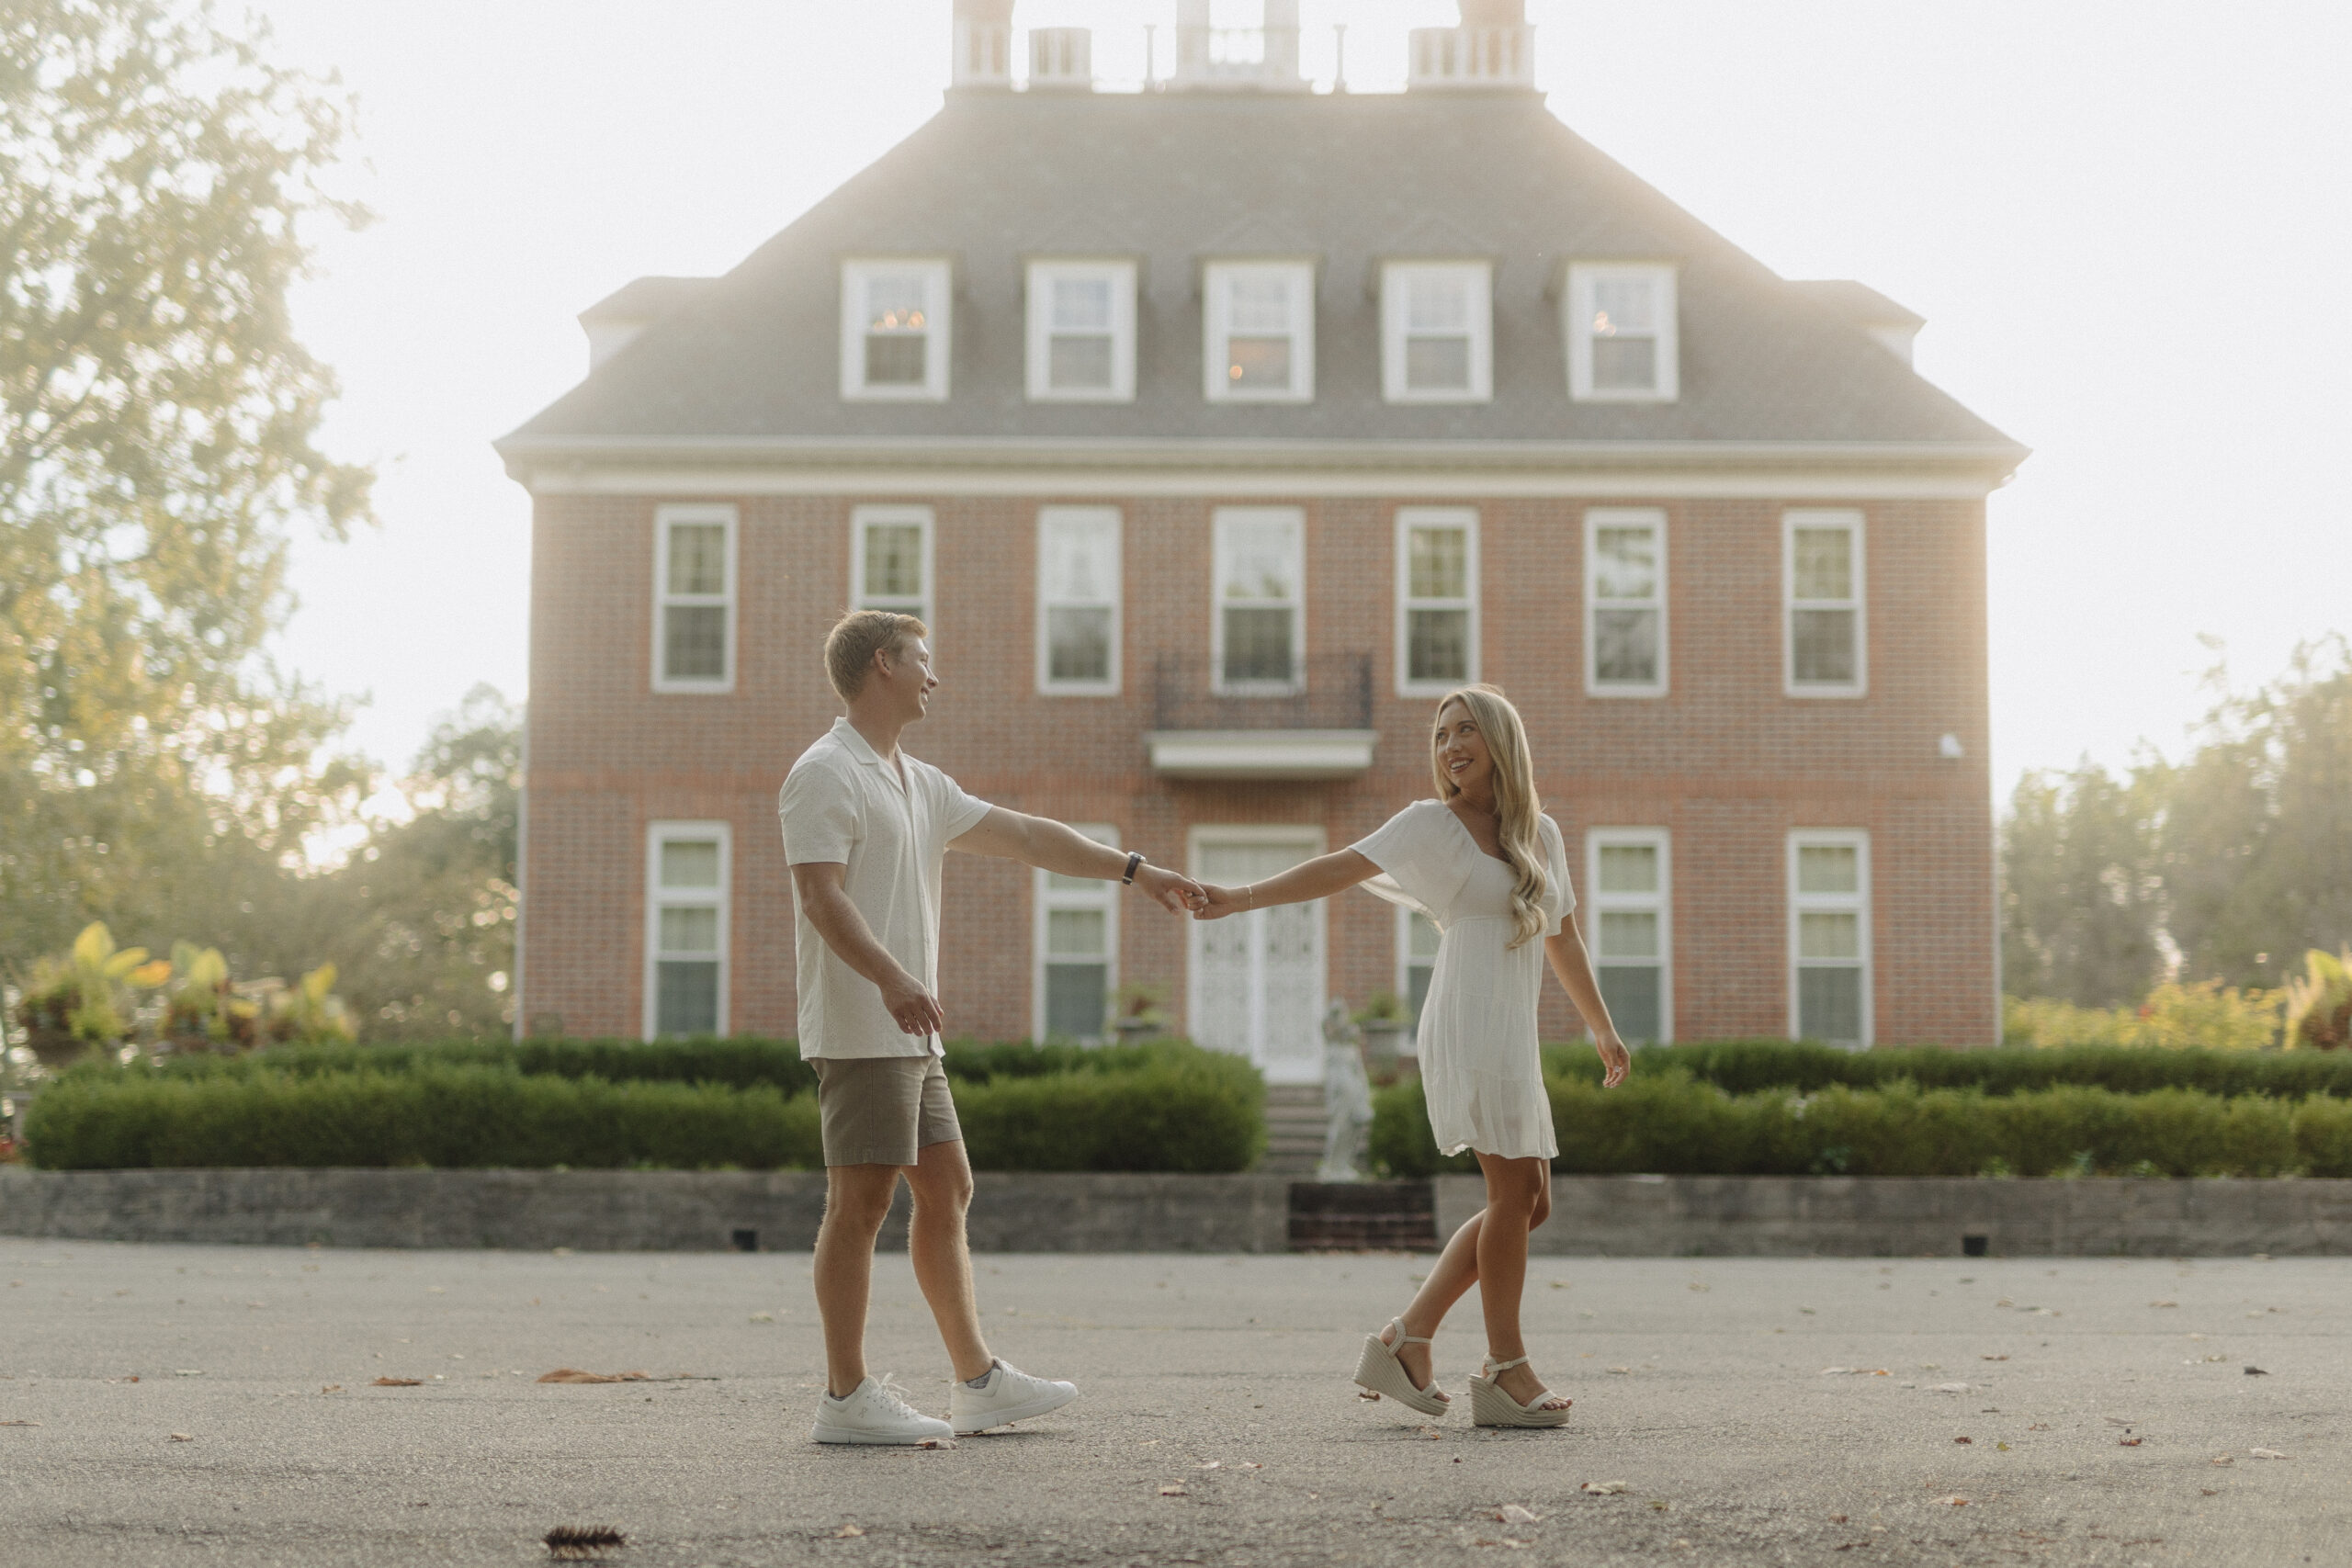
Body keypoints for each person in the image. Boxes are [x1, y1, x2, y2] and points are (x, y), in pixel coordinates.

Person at [780, 609, 1206, 1445]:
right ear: (881, 665)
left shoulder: (917, 780)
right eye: (922, 659)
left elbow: (1026, 835)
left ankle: (978, 1382)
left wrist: (1135, 868)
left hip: (912, 1029)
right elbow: (820, 896)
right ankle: (844, 1396)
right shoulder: (825, 772)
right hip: (865, 1022)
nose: (934, 676)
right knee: (858, 1205)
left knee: (948, 1189)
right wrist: (893, 977)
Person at [1193, 684, 1631, 1427]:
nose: (1450, 746)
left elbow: (1562, 935)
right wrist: (1239, 896)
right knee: (1512, 1195)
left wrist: (1601, 1024)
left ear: (1501, 740)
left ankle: (1406, 1339)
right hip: (1467, 1020)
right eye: (1440, 735)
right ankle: (1504, 1368)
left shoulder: (1541, 835)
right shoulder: (1434, 825)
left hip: (1511, 1029)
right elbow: (1341, 865)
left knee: (1531, 1203)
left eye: (1465, 730)